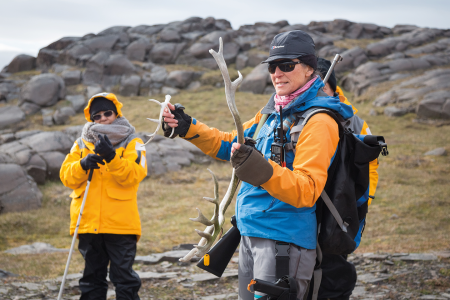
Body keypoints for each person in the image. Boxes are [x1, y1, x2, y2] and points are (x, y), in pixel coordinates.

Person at [162, 30, 354, 300]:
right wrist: (188, 127)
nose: (277, 73)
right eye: (273, 66)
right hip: (251, 232)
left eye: (287, 65)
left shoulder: (320, 122)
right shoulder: (272, 113)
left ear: (311, 68)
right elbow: (234, 145)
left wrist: (261, 170)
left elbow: (307, 190)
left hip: (284, 241)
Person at [60, 92, 147, 300]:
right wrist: (81, 165)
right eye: (96, 116)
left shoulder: (134, 142)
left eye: (107, 113)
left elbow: (135, 175)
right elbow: (66, 176)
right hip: (88, 222)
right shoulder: (81, 143)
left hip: (121, 224)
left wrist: (111, 157)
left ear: (116, 113)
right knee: (91, 279)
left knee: (124, 279)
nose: (102, 118)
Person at [305, 58, 379, 300]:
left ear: (334, 89)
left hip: (339, 206)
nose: (317, 92)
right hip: (306, 201)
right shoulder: (301, 113)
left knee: (332, 258)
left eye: (322, 86)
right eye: (311, 86)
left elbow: (370, 169)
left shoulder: (353, 121)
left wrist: (361, 203)